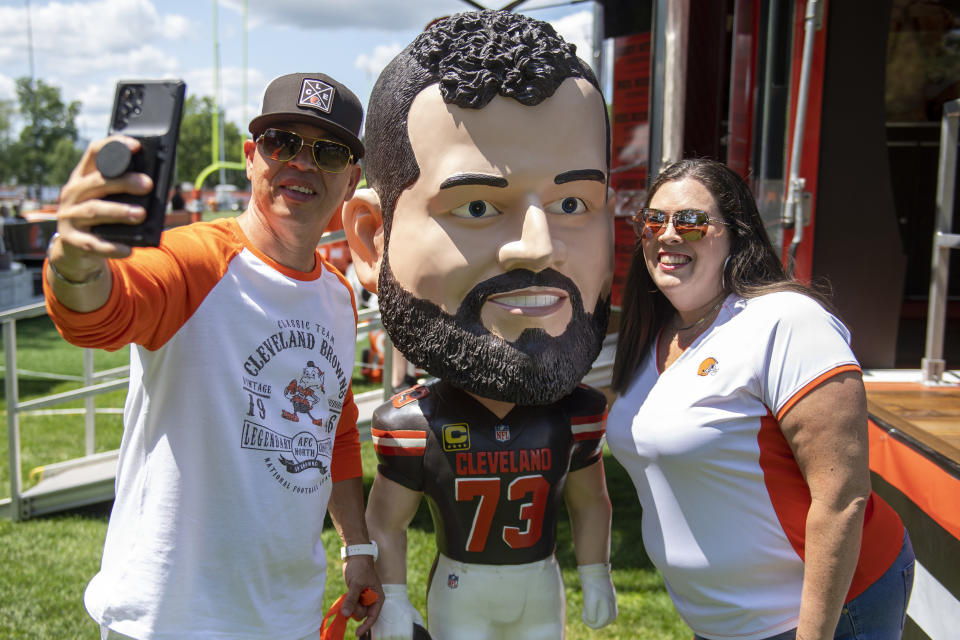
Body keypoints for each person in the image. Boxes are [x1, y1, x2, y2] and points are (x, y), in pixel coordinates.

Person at [43, 72, 382, 640]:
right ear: (252, 158)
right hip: (170, 618)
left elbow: (337, 431)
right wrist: (75, 263)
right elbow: (101, 313)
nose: (301, 163)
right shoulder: (194, 260)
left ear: (350, 179)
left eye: (327, 151)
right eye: (281, 144)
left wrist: (358, 546)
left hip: (287, 615)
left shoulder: (338, 297)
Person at [342, 10, 617, 640]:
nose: (537, 247)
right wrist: (389, 594)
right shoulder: (413, 424)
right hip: (461, 589)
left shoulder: (576, 415)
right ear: (371, 240)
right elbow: (386, 519)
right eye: (475, 206)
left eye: (572, 203)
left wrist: (596, 572)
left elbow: (590, 501)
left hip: (539, 586)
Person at [606, 158, 914, 640]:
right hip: (725, 621)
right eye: (653, 219)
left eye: (690, 220)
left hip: (828, 612)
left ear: (736, 233)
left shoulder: (786, 321)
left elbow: (842, 497)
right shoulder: (650, 334)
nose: (667, 233)